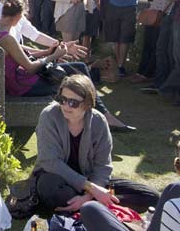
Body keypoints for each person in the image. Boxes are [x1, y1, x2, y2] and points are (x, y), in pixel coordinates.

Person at [0, 0, 133, 130]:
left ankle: (100, 116)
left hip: (21, 79)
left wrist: (49, 51)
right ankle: (100, 118)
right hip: (22, 85)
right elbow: (30, 67)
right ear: (18, 17)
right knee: (74, 84)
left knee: (80, 68)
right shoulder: (7, 37)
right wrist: (55, 56)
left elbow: (24, 55)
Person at [32, 75, 159, 214]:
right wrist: (91, 188)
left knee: (151, 197)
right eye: (62, 100)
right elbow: (50, 162)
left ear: (87, 104)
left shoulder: (98, 121)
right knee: (49, 188)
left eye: (73, 102)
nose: (66, 106)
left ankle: (87, 206)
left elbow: (103, 165)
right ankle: (97, 207)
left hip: (90, 179)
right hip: (59, 178)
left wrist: (88, 196)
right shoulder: (49, 116)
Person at [80, 133, 180, 231]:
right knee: (174, 188)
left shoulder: (179, 209)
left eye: (179, 164)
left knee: (91, 209)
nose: (176, 170)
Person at [132, 0, 177, 84]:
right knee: (148, 44)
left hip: (163, 13)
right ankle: (142, 72)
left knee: (155, 46)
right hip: (154, 11)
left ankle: (148, 74)